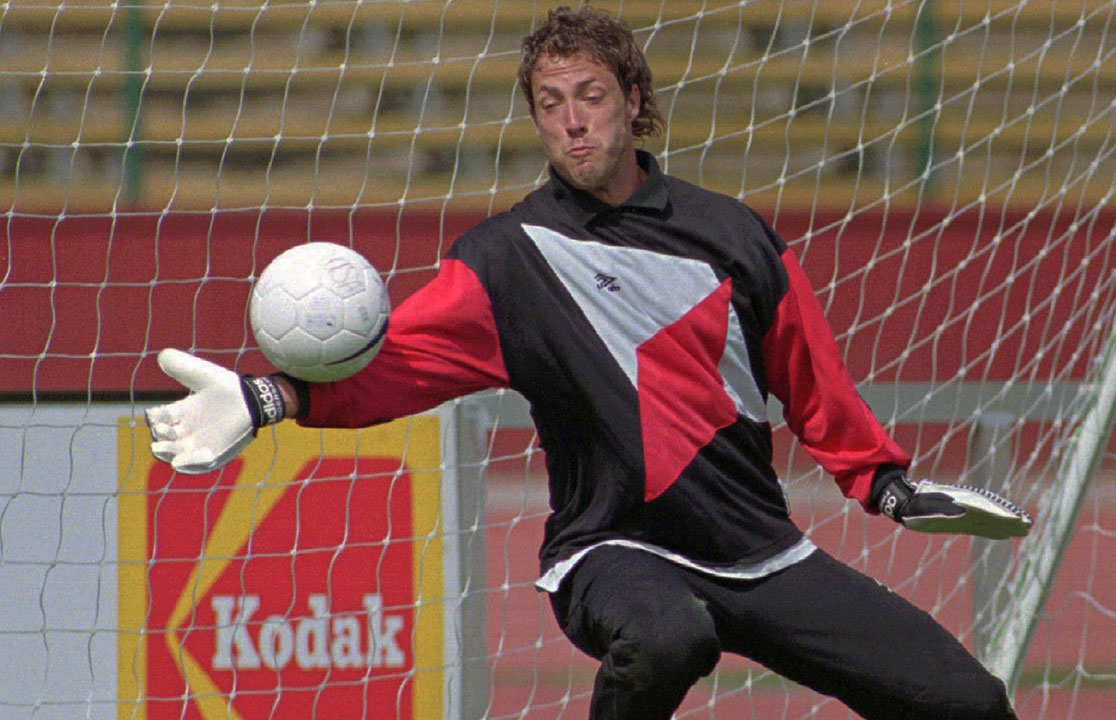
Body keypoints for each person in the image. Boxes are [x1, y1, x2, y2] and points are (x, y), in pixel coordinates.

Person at [145, 7, 1031, 719]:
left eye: (591, 96)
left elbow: (810, 377)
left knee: (969, 702)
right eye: (550, 103)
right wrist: (267, 398)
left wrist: (886, 486)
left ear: (633, 99)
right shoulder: (507, 259)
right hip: (610, 552)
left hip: (759, 552)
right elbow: (396, 365)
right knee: (671, 637)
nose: (572, 121)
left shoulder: (734, 236)